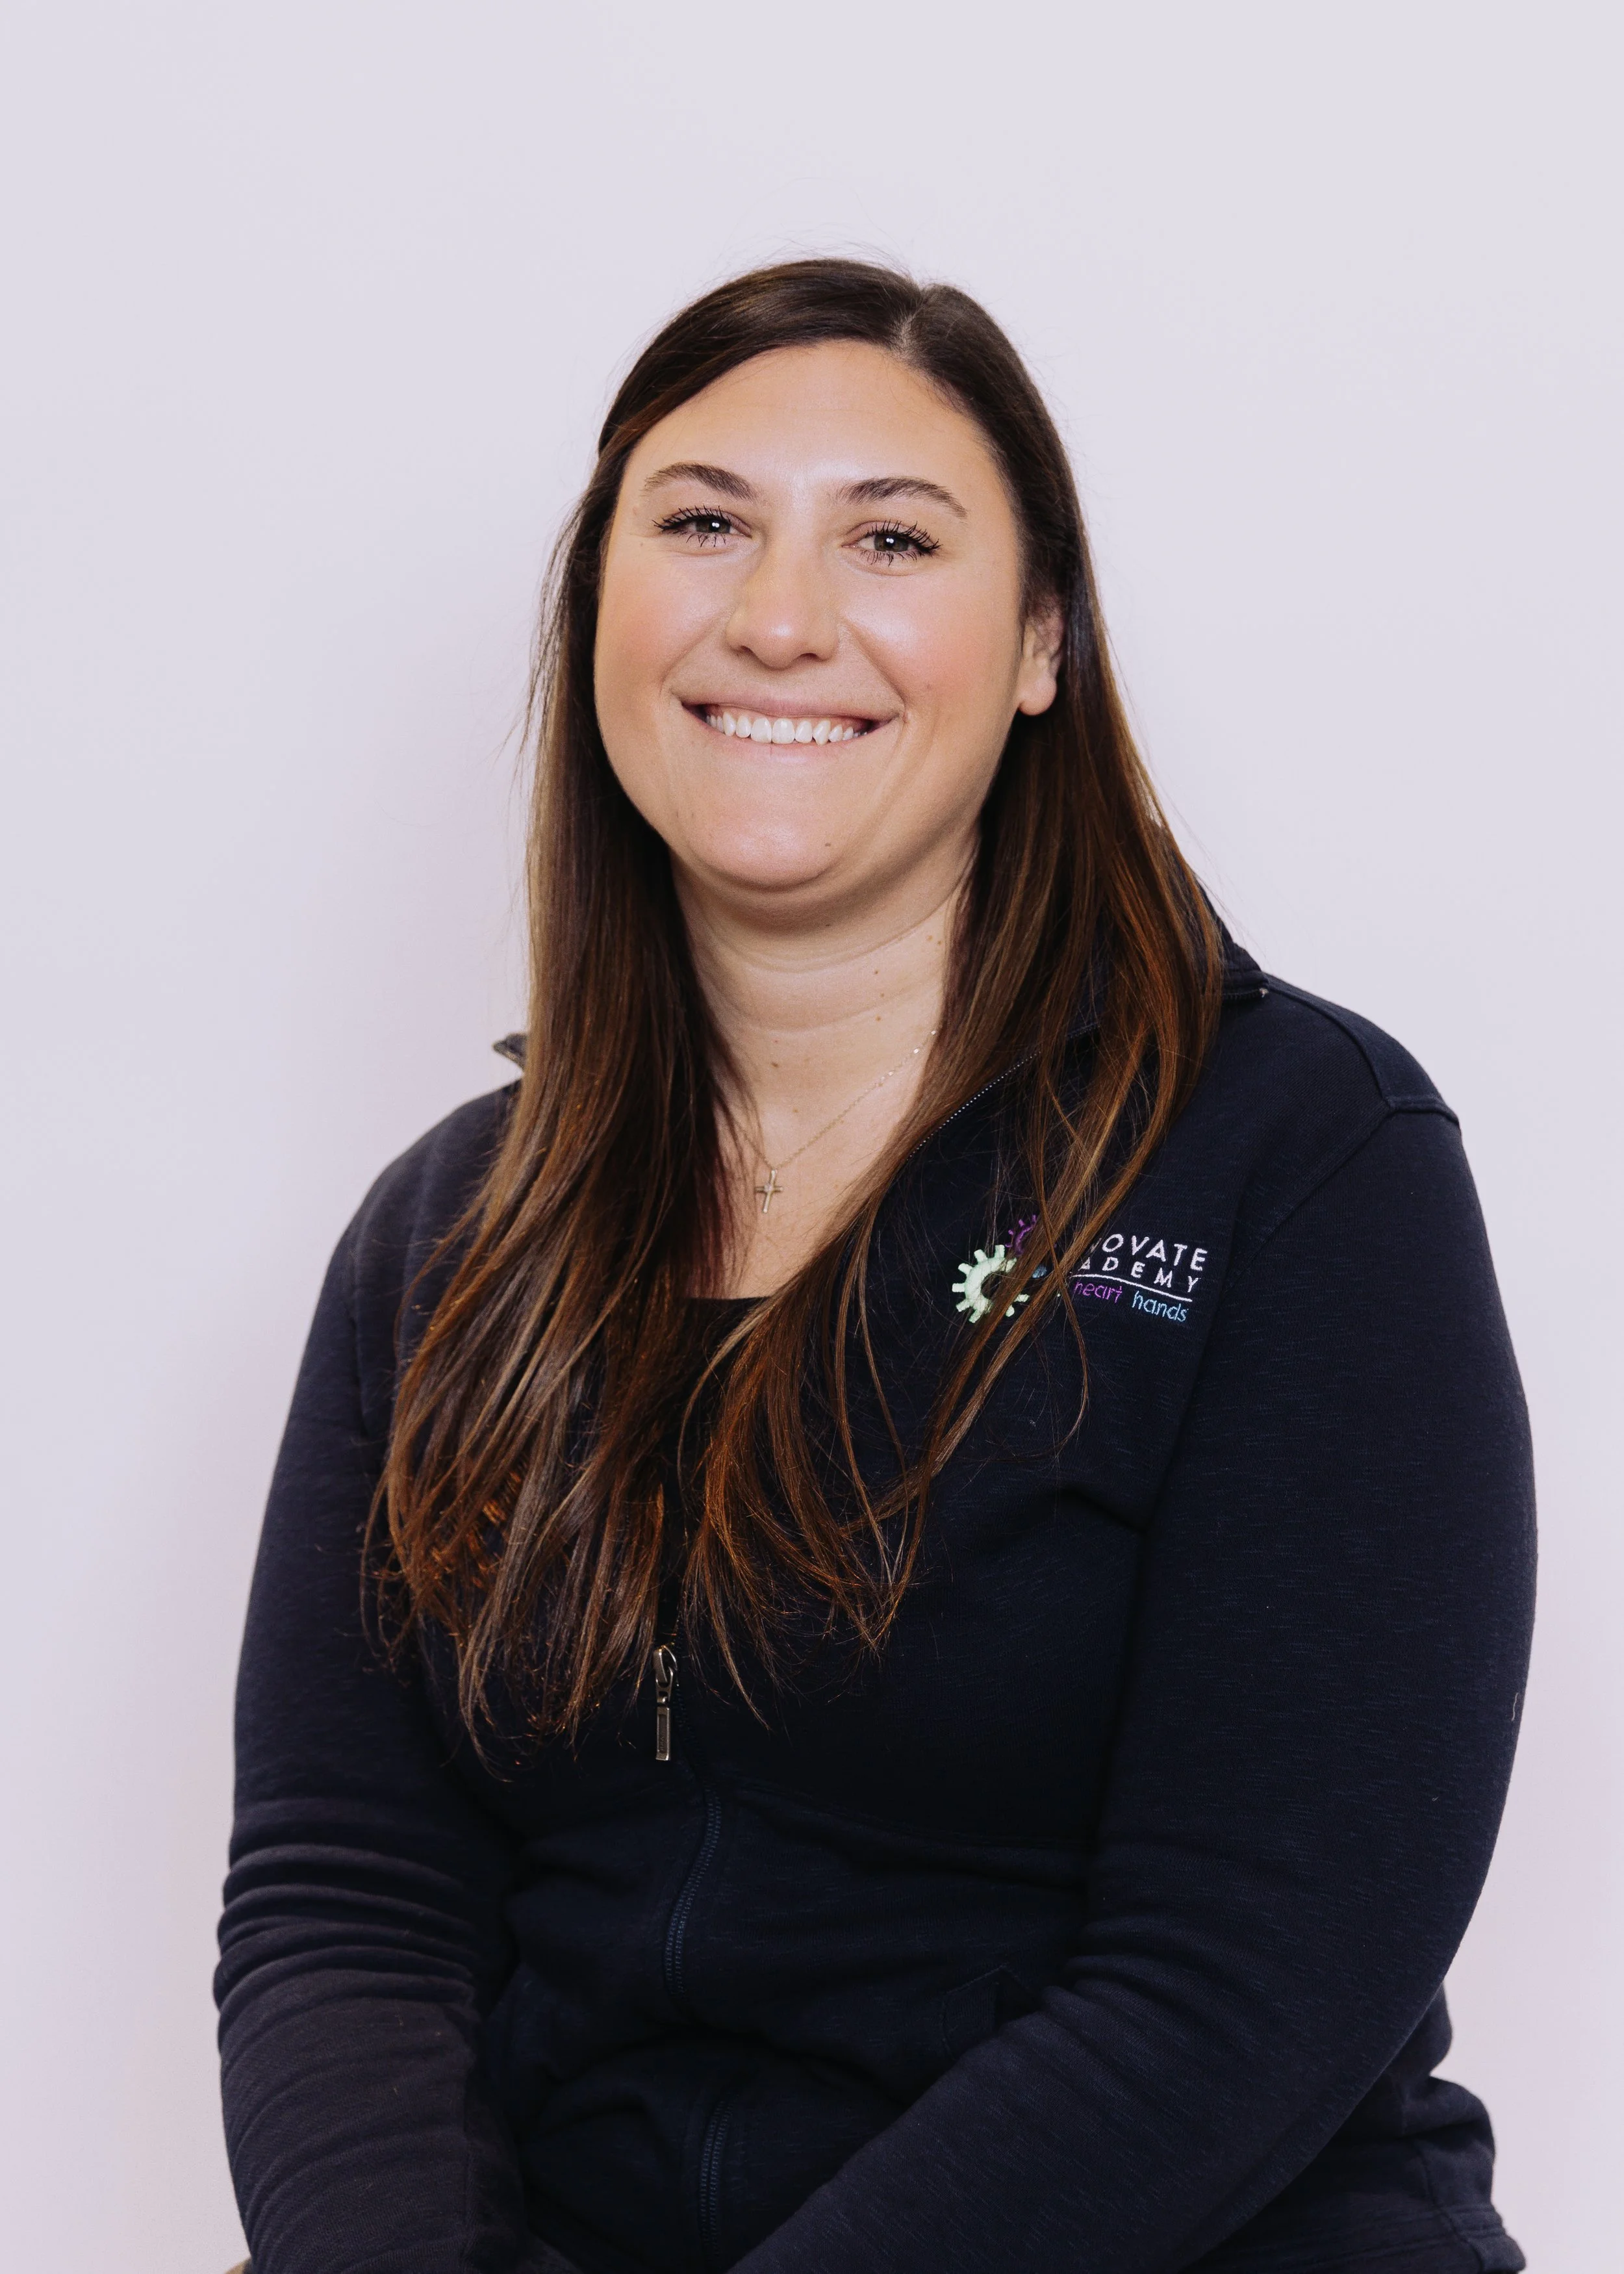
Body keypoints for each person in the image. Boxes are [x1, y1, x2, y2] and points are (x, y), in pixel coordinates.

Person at [216, 259, 1534, 2274]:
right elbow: (345, 1896)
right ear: (601, 615)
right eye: (703, 520)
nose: (779, 615)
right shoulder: (448, 1234)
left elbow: (1248, 1971)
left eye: (892, 538)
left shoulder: (1296, 1155)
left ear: (1037, 644)